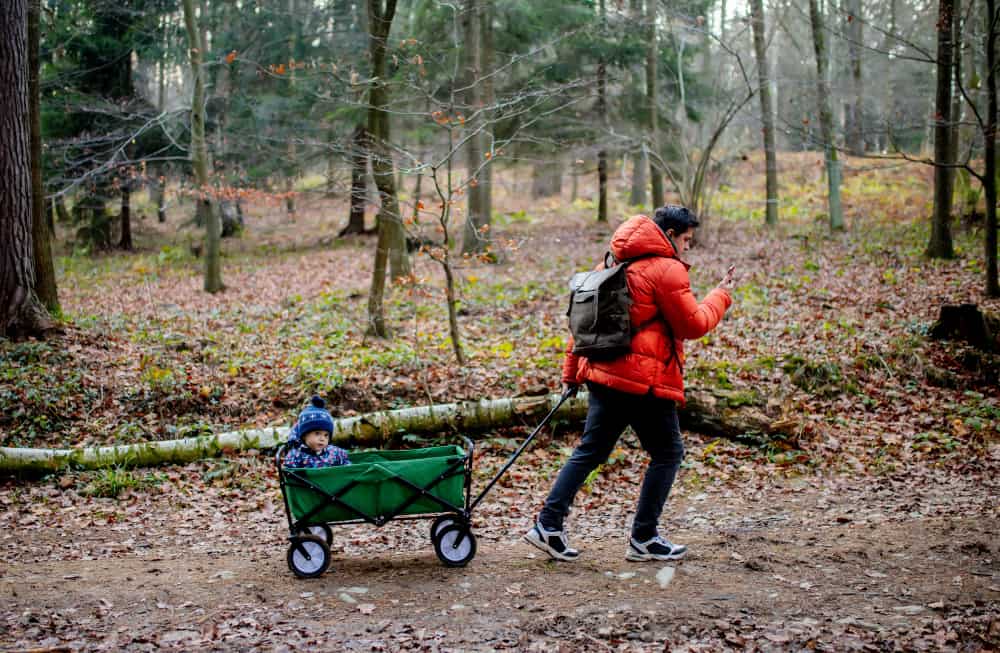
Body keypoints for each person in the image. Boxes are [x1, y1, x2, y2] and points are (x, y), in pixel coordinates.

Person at [525, 205, 735, 562]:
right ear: (669, 234)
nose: (686, 248)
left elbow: (582, 326)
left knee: (590, 451)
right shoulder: (667, 270)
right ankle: (644, 537)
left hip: (604, 377)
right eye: (685, 240)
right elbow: (693, 325)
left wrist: (571, 372)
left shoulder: (610, 262)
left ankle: (548, 524)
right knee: (668, 453)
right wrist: (722, 295)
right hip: (643, 382)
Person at [283, 396, 351, 469]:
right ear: (304, 435)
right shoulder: (296, 455)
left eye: (326, 435)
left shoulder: (333, 452)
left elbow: (346, 466)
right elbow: (289, 473)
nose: (322, 439)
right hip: (308, 480)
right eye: (317, 433)